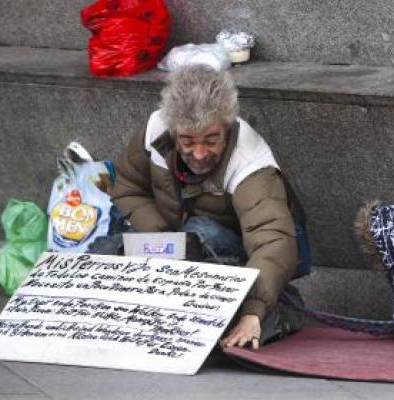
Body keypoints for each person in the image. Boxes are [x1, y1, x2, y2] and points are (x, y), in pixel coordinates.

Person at [111, 65, 305, 349]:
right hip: (180, 242)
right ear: (174, 130)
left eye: (211, 140)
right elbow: (126, 186)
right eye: (187, 141)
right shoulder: (156, 129)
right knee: (117, 245)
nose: (199, 154)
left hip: (237, 254)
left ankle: (280, 308)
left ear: (226, 127)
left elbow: (273, 241)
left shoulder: (250, 161)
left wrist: (253, 311)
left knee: (201, 231)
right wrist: (165, 241)